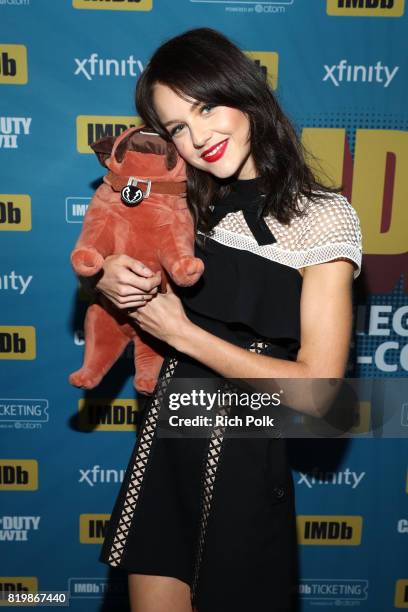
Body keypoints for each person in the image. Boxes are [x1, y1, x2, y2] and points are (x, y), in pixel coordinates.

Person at [96, 28, 362, 612]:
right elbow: (102, 240)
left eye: (206, 107)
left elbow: (319, 391)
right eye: (177, 129)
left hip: (244, 466)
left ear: (243, 94)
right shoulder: (174, 201)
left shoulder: (324, 218)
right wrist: (105, 275)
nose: (199, 138)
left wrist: (182, 334)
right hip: (163, 453)